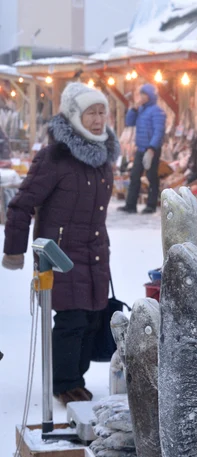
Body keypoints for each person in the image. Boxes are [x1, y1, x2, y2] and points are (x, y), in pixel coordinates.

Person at [2, 82, 119, 405]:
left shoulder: (103, 157)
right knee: (71, 320)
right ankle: (63, 383)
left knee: (93, 318)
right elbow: (21, 204)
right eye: (90, 113)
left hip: (95, 253)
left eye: (101, 112)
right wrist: (14, 250)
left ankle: (75, 380)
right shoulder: (54, 157)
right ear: (73, 116)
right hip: (59, 254)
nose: (98, 120)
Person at [119, 83, 166, 214]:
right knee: (134, 176)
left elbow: (159, 131)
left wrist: (152, 148)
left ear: (150, 96)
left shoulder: (157, 111)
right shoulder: (140, 110)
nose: (141, 97)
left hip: (152, 149)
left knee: (151, 176)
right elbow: (129, 122)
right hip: (140, 148)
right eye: (141, 94)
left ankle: (151, 205)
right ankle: (130, 204)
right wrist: (133, 108)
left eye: (144, 94)